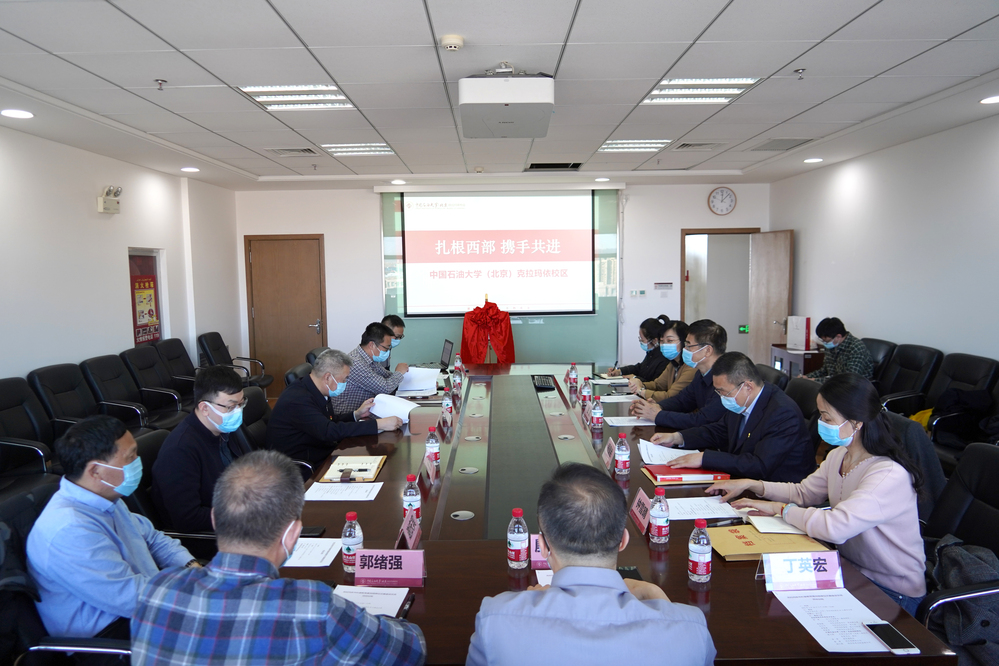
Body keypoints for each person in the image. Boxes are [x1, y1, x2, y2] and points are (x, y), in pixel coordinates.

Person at [131, 450, 426, 665]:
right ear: (293, 535)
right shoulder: (314, 607)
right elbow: (412, 649)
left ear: (214, 519)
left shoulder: (154, 592)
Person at [707, 373, 926, 614]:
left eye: (827, 417)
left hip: (891, 589)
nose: (821, 422)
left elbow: (836, 527)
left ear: (856, 422)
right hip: (848, 568)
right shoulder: (840, 455)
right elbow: (804, 492)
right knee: (766, 599)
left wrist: (782, 510)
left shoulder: (887, 475)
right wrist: (753, 485)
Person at [466, 463, 715, 666]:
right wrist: (664, 606)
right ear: (623, 541)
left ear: (542, 546)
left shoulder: (495, 621)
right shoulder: (691, 630)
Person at [26, 416, 196, 644]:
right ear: (96, 471)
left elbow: (152, 538)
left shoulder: (107, 498)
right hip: (113, 639)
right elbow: (130, 597)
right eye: (130, 457)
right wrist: (194, 594)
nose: (138, 461)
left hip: (147, 606)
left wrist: (190, 566)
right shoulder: (69, 528)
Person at [651, 352, 816, 482]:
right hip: (744, 480)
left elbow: (758, 465)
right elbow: (719, 430)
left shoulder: (782, 413)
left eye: (723, 392)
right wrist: (678, 437)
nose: (721, 397)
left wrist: (704, 458)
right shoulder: (742, 400)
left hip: (776, 490)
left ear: (748, 387)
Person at [267, 349, 403, 464]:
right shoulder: (297, 399)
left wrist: (356, 414)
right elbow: (329, 431)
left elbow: (327, 421)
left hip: (319, 448)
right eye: (344, 379)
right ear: (328, 377)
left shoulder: (315, 388)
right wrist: (378, 424)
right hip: (303, 464)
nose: (345, 382)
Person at [151, 365, 244, 532]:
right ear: (205, 408)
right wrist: (242, 515)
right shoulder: (180, 450)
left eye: (241, 404)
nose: (237, 412)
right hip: (214, 533)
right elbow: (188, 518)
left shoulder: (224, 430)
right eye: (230, 407)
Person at [631, 319, 727, 429]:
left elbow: (701, 419)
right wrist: (657, 406)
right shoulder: (700, 374)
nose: (684, 349)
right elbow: (682, 400)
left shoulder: (725, 380)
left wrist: (658, 415)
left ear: (708, 350)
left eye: (689, 345)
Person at [332, 322, 409, 413]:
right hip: (351, 415)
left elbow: (386, 375)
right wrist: (399, 372)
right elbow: (385, 388)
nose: (388, 351)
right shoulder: (356, 363)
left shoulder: (369, 358)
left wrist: (406, 376)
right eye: (386, 348)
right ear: (372, 345)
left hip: (366, 410)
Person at [628, 319, 696, 402]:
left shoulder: (691, 366)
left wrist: (641, 391)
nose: (664, 345)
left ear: (684, 342)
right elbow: (658, 385)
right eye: (662, 341)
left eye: (670, 341)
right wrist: (639, 384)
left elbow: (670, 397)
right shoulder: (673, 364)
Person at [803, 317, 874, 382]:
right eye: (823, 341)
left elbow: (849, 379)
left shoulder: (856, 348)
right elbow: (825, 370)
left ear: (838, 336)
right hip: (836, 384)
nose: (825, 343)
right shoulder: (831, 346)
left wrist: (815, 380)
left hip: (855, 387)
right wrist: (807, 377)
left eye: (827, 341)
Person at [607, 315, 669, 381]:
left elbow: (655, 384)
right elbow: (640, 368)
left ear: (654, 340)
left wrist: (635, 378)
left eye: (642, 339)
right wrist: (620, 371)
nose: (640, 341)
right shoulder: (651, 353)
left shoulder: (664, 359)